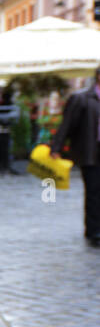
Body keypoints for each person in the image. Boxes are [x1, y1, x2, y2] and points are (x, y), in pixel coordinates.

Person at [51, 67, 100, 247]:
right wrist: (56, 147)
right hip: (90, 150)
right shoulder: (81, 98)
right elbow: (67, 124)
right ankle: (94, 230)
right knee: (94, 190)